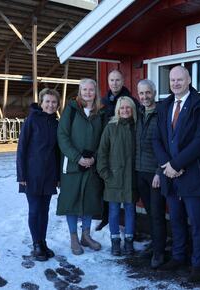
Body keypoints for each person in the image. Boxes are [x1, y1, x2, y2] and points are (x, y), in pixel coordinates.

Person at [153, 65, 200, 283]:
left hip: (192, 174)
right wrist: (166, 165)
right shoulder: (165, 105)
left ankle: (199, 264)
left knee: (197, 222)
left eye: (180, 79)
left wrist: (177, 164)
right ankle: (178, 257)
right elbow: (156, 139)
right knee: (176, 219)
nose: (176, 83)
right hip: (170, 173)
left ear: (188, 80)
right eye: (172, 80)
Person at [57, 78, 105, 255]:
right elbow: (62, 136)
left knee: (89, 200)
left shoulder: (101, 112)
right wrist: (77, 157)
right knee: (72, 201)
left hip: (92, 164)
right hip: (72, 165)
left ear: (95, 91)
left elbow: (104, 139)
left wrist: (95, 157)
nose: (87, 93)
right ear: (79, 91)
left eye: (91, 90)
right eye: (84, 90)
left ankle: (86, 235)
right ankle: (74, 238)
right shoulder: (70, 109)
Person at [16, 88, 60, 261]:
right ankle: (36, 244)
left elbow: (57, 152)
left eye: (54, 102)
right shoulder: (32, 120)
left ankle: (43, 242)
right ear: (41, 102)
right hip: (31, 174)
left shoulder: (56, 123)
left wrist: (58, 176)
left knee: (45, 210)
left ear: (57, 104)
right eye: (47, 101)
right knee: (34, 210)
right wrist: (21, 175)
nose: (50, 105)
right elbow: (21, 149)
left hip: (49, 174)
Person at [97, 69, 139, 231]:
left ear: (123, 81)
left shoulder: (131, 101)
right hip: (109, 152)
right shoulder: (103, 102)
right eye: (111, 80)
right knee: (109, 199)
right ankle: (105, 219)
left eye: (117, 80)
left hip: (127, 163)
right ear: (108, 82)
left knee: (129, 206)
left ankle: (129, 234)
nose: (114, 83)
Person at [97, 96, 137, 256]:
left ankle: (129, 241)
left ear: (132, 109)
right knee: (113, 211)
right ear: (117, 110)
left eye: (128, 108)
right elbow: (102, 153)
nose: (125, 110)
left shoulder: (136, 127)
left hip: (131, 178)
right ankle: (115, 241)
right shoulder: (111, 127)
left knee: (130, 211)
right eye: (122, 108)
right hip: (113, 177)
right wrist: (105, 173)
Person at [135, 79, 167, 269]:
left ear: (154, 92)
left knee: (157, 214)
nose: (145, 97)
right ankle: (155, 245)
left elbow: (166, 145)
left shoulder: (161, 114)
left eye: (148, 93)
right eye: (141, 93)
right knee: (149, 212)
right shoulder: (137, 114)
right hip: (140, 172)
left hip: (155, 174)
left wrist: (159, 172)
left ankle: (159, 252)